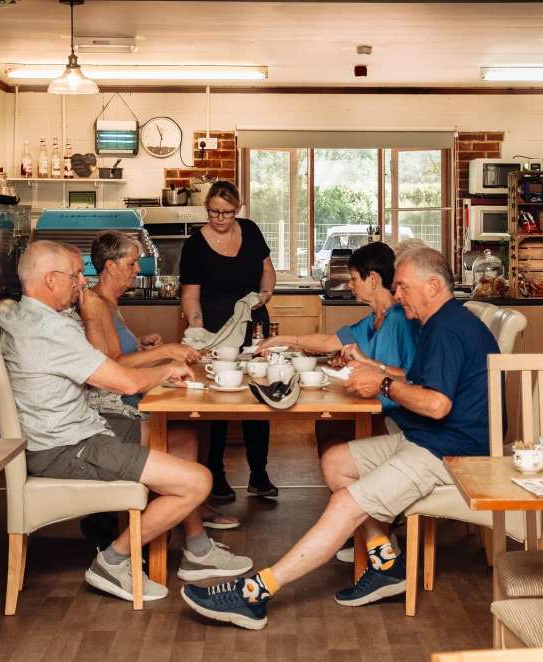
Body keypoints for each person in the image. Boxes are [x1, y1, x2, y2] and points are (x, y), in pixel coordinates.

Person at [181, 246, 500, 629]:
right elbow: (417, 382)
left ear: (432, 286)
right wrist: (374, 366)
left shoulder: (447, 329)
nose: (396, 296)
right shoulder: (441, 322)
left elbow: (436, 405)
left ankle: (256, 593)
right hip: (427, 439)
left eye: (402, 287)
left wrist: (381, 381)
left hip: (450, 453)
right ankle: (386, 560)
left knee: (347, 503)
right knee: (336, 462)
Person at [0, 240, 253, 603]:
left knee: (179, 440)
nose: (81, 283)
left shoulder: (22, 316)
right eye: (74, 276)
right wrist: (168, 367)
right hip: (69, 448)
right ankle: (113, 561)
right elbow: (128, 381)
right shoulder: (51, 330)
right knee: (198, 481)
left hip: (74, 431)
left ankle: (197, 550)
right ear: (50, 280)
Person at [79, 230, 240, 530]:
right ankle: (192, 529)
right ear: (110, 267)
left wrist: (142, 346)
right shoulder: (95, 304)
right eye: (132, 263)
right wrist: (166, 351)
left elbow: (114, 352)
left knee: (199, 421)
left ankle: (192, 506)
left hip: (130, 394)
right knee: (188, 430)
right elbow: (111, 365)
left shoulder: (110, 303)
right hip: (114, 407)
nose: (138, 269)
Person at [255, 241, 422, 451]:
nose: (350, 285)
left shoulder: (399, 319)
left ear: (373, 279)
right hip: (374, 403)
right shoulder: (373, 320)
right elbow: (329, 342)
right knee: (327, 425)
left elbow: (413, 376)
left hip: (395, 414)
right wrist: (280, 340)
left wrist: (369, 366)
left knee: (330, 429)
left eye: (353, 279)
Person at [180, 180, 278, 501]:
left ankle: (259, 473)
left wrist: (264, 295)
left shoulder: (250, 230)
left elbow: (266, 269)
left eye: (227, 213)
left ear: (238, 210)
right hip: (215, 329)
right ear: (206, 208)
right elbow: (191, 295)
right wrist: (197, 331)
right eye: (214, 212)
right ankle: (215, 473)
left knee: (257, 393)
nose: (220, 219)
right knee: (218, 400)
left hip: (252, 324)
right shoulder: (194, 245)